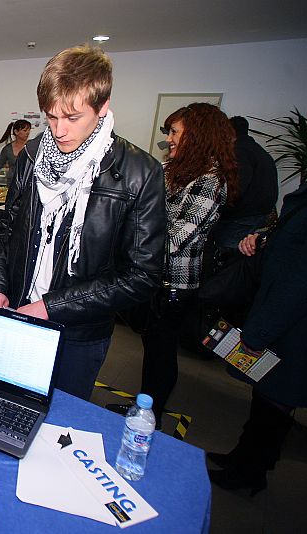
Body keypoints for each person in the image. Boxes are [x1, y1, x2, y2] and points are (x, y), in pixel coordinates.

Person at [0, 45, 166, 401]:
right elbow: (8, 229)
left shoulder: (139, 172)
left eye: (72, 118)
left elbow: (142, 275)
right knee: (8, 408)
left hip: (79, 335)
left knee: (60, 426)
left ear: (103, 106)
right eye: (51, 117)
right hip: (18, 311)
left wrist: (53, 306)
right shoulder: (33, 155)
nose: (59, 130)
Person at [117, 103, 238, 424]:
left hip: (174, 285)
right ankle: (145, 407)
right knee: (153, 348)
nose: (169, 139)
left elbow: (174, 238)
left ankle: (149, 416)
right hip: (157, 278)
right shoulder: (180, 170)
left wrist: (126, 238)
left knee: (161, 352)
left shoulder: (210, 182)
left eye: (175, 132)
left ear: (197, 135)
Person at [207, 180, 307, 495]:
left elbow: (300, 284)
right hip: (280, 318)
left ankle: (249, 475)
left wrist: (259, 332)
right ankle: (242, 459)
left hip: (292, 328)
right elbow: (290, 237)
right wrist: (263, 238)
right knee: (265, 399)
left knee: (274, 407)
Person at [211, 116, 278, 250]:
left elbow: (236, 188)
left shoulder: (238, 152)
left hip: (240, 220)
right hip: (261, 216)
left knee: (228, 259)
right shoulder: (260, 151)